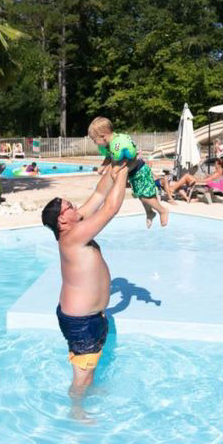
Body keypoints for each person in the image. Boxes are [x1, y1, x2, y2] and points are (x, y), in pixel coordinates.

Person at [41, 164, 130, 401]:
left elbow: (100, 195)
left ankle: (83, 395)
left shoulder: (75, 225)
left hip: (87, 317)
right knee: (82, 375)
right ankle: (76, 412)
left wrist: (114, 168)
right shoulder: (72, 236)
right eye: (69, 207)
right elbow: (110, 208)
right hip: (81, 320)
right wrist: (125, 172)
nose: (75, 207)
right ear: (62, 220)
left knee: (87, 369)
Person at [88, 117, 169, 228]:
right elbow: (109, 156)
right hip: (133, 174)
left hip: (140, 170)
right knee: (141, 196)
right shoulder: (109, 144)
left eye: (94, 139)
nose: (94, 143)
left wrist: (116, 169)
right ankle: (150, 213)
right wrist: (103, 166)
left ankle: (162, 210)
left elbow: (128, 158)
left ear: (103, 136)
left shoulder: (118, 144)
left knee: (145, 196)